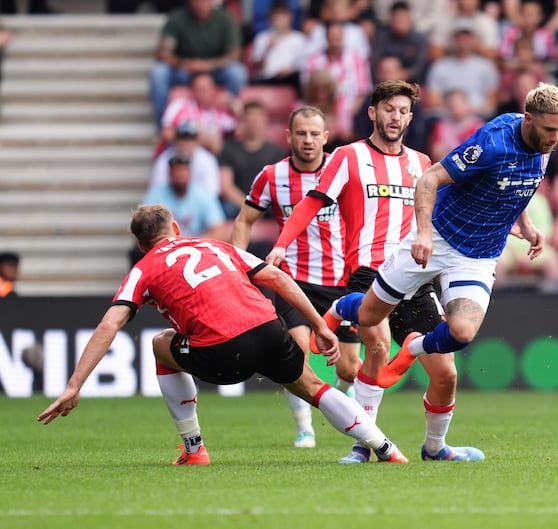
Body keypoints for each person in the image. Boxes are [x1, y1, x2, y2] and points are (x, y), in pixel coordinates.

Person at [37, 204, 409, 466]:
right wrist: (320, 325)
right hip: (268, 330)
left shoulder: (144, 267)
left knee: (159, 344)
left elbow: (110, 324)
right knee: (312, 386)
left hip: (220, 351)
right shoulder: (216, 246)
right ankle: (386, 447)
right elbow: (278, 278)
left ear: (140, 245)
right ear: (176, 229)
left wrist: (74, 385)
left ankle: (194, 449)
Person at [266, 80, 484, 463]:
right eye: (388, 109)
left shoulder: (421, 163)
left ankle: (435, 448)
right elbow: (310, 203)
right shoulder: (347, 156)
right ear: (373, 113)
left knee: (446, 372)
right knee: (378, 348)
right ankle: (363, 446)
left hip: (415, 276)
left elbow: (461, 200)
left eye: (402, 111)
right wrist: (282, 244)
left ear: (410, 117)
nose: (395, 117)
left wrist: (513, 222)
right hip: (370, 271)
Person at [322, 83, 558, 403]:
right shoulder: (492, 143)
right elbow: (429, 179)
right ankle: (341, 307)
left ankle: (411, 349)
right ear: (528, 119)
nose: (555, 138)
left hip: (479, 255)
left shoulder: (544, 145)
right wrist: (423, 233)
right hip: (439, 236)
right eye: (550, 129)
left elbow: (517, 182)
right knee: (369, 316)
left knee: (462, 333)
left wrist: (526, 222)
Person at [231, 106, 361, 448]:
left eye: (314, 134)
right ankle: (305, 428)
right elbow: (244, 221)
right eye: (301, 133)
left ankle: (341, 400)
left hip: (341, 281)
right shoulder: (272, 175)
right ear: (288, 136)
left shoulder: (343, 168)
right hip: (294, 282)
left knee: (349, 369)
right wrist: (240, 266)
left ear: (326, 137)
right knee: (298, 354)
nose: (308, 140)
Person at [148, 0, 248, 123]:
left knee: (237, 72)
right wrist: (185, 63)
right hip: (185, 70)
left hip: (215, 70)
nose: (201, 4)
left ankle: (231, 119)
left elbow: (235, 53)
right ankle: (164, 124)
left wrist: (210, 65)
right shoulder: (177, 18)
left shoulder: (225, 18)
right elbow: (163, 52)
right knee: (158, 72)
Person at [131, 152, 228, 265]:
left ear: (190, 173)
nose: (180, 175)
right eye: (177, 171)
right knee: (135, 254)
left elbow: (220, 231)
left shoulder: (203, 195)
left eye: (183, 171)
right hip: (163, 252)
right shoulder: (156, 195)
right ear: (169, 174)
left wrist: (189, 243)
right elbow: (139, 230)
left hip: (197, 250)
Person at [218, 101, 286, 218]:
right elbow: (226, 187)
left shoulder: (276, 152)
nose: (254, 124)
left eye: (257, 120)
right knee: (226, 209)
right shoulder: (229, 149)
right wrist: (249, 206)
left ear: (265, 121)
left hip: (266, 204)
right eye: (250, 120)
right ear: (242, 122)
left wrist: (260, 205)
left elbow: (280, 186)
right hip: (238, 204)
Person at [160, 72, 239, 155]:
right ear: (192, 90)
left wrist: (236, 107)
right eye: (199, 89)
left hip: (214, 156)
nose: (203, 93)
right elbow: (166, 132)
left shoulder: (221, 110)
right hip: (182, 155)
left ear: (214, 90)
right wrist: (199, 141)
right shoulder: (179, 105)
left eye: (206, 89)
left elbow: (241, 132)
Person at [249, 1, 308, 91]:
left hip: (290, 78)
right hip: (268, 79)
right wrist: (267, 50)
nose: (279, 20)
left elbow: (304, 64)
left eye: (282, 16)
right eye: (276, 17)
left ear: (290, 18)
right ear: (270, 20)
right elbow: (257, 68)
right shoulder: (262, 38)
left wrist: (290, 70)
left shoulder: (299, 39)